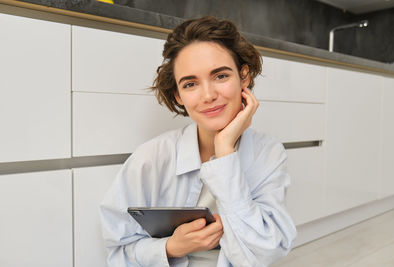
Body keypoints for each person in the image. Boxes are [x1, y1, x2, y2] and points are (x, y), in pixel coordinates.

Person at [100, 16, 297, 267]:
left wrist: (224, 151)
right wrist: (170, 247)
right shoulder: (151, 157)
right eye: (190, 84)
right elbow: (118, 250)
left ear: (243, 77)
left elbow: (264, 253)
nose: (208, 95)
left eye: (221, 76)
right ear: (178, 95)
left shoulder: (268, 154)